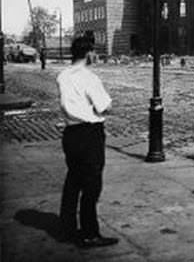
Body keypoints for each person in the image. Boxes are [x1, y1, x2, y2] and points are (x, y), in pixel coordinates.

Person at [57, 35, 119, 248]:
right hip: (90, 134)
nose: (96, 55)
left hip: (71, 134)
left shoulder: (63, 75)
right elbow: (104, 106)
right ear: (87, 53)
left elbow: (68, 103)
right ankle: (89, 233)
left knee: (73, 181)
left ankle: (66, 228)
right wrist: (98, 107)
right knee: (92, 186)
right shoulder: (90, 78)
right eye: (94, 51)